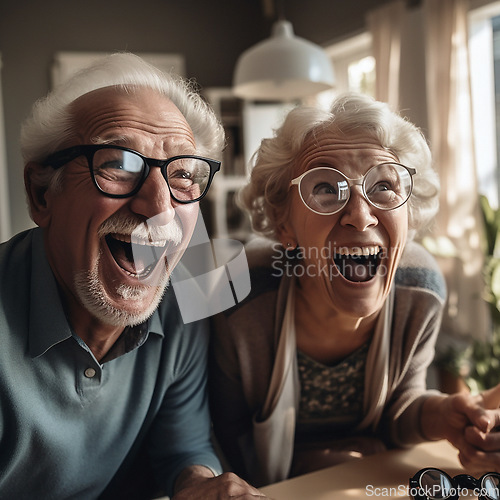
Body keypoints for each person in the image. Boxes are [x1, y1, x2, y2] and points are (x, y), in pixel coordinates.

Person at [0, 52, 269, 499]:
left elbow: (181, 448)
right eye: (119, 164)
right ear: (41, 193)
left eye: (182, 174)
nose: (159, 205)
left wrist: (199, 485)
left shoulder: (185, 299)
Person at [209, 92, 500, 487]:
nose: (360, 217)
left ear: (409, 213)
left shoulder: (419, 288)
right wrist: (306, 465)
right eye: (326, 188)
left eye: (383, 186)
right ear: (283, 222)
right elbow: (218, 435)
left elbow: (401, 408)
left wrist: (445, 414)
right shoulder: (241, 292)